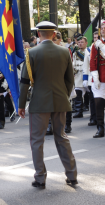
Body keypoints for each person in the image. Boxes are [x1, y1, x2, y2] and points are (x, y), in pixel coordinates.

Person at [18, 21, 77, 188]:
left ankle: (40, 177)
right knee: (62, 137)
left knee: (37, 140)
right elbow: (70, 80)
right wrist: (62, 95)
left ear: (38, 35)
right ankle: (72, 175)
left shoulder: (31, 53)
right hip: (60, 100)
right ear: (53, 34)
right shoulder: (65, 52)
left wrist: (21, 104)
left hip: (39, 102)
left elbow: (24, 82)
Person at [90, 20, 105, 138]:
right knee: (98, 103)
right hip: (100, 78)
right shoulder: (95, 44)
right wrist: (95, 76)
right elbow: (92, 61)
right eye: (102, 27)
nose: (103, 29)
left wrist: (102, 46)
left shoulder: (100, 44)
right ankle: (100, 127)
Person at [83, 32, 99, 127]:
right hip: (92, 78)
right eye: (94, 37)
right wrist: (85, 79)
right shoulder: (88, 49)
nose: (96, 39)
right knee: (92, 100)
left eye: (97, 37)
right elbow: (86, 66)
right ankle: (94, 118)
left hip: (102, 78)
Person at [71, 37, 87, 124]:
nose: (80, 44)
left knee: (90, 95)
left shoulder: (88, 52)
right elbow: (73, 62)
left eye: (82, 42)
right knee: (78, 94)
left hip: (85, 74)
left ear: (86, 43)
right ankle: (78, 111)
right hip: (77, 74)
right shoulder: (76, 53)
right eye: (79, 42)